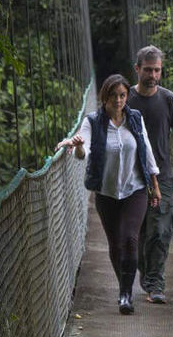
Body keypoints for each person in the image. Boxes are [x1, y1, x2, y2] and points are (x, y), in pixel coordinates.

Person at [56, 74, 161, 315]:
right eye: (113, 95)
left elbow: (147, 152)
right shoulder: (93, 121)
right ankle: (123, 287)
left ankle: (126, 295)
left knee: (130, 239)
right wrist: (79, 145)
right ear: (104, 96)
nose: (118, 100)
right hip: (106, 193)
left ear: (127, 97)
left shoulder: (135, 119)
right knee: (115, 244)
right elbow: (83, 154)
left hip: (135, 190)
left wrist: (154, 185)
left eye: (122, 95)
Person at [127, 45, 173, 305]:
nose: (153, 74)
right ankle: (146, 273)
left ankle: (155, 284)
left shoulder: (168, 99)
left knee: (161, 230)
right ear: (137, 69)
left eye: (157, 70)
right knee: (138, 232)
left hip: (162, 174)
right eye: (148, 69)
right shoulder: (125, 98)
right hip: (131, 176)